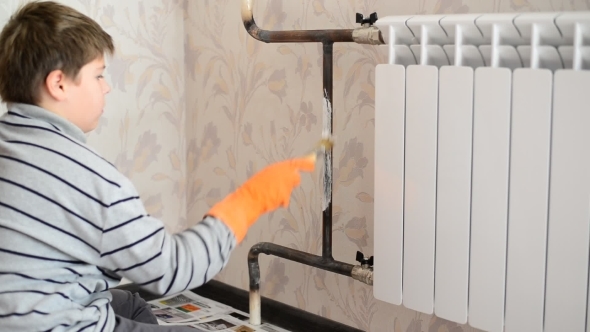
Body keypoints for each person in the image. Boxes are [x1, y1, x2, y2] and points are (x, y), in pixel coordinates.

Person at [0, 1, 315, 331]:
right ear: (59, 83)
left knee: (129, 304)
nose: (106, 86)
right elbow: (172, 269)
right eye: (98, 75)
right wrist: (249, 201)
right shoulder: (89, 180)